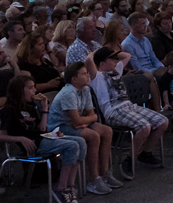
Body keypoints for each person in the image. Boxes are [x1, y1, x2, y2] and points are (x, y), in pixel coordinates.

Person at [1, 73, 85, 203]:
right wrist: (20, 138)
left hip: (42, 139)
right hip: (32, 145)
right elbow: (1, 136)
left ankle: (70, 185)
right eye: (31, 88)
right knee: (72, 145)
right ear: (20, 90)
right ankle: (60, 187)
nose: (34, 91)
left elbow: (42, 128)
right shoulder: (9, 110)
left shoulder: (30, 106)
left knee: (80, 142)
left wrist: (44, 108)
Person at [90, 48, 168, 175]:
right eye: (112, 59)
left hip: (128, 106)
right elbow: (89, 60)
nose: (116, 61)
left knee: (162, 122)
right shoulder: (96, 77)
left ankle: (146, 153)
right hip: (113, 110)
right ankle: (129, 159)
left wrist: (112, 53)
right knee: (144, 127)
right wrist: (98, 51)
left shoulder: (116, 71)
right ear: (102, 63)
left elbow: (127, 55)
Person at [47, 61, 119, 195]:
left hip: (76, 124)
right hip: (60, 127)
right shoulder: (68, 92)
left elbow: (93, 115)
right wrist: (85, 121)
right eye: (84, 74)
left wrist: (84, 123)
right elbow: (76, 119)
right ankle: (93, 180)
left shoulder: (85, 89)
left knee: (107, 131)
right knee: (93, 136)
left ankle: (105, 173)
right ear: (74, 79)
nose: (88, 76)